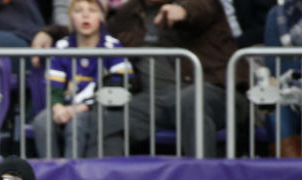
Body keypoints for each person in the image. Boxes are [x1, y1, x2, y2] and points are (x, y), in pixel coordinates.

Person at [103, 0, 247, 157]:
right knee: (107, 118)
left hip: (213, 90)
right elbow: (103, 35)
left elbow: (202, 7)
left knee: (191, 99)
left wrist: (183, 10)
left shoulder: (199, 3)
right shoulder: (128, 13)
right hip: (155, 100)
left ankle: (204, 177)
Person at [31, 0, 133, 158]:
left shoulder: (113, 47)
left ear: (101, 17)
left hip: (97, 110)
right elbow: (54, 87)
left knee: (76, 123)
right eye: (78, 11)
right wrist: (57, 107)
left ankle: (72, 177)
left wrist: (80, 108)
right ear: (70, 18)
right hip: (65, 107)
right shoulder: (62, 47)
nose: (85, 15)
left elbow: (123, 84)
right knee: (42, 121)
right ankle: (51, 173)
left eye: (92, 10)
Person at [262, 0, 302, 156]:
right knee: (274, 107)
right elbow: (276, 69)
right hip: (293, 91)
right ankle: (292, 172)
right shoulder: (278, 15)